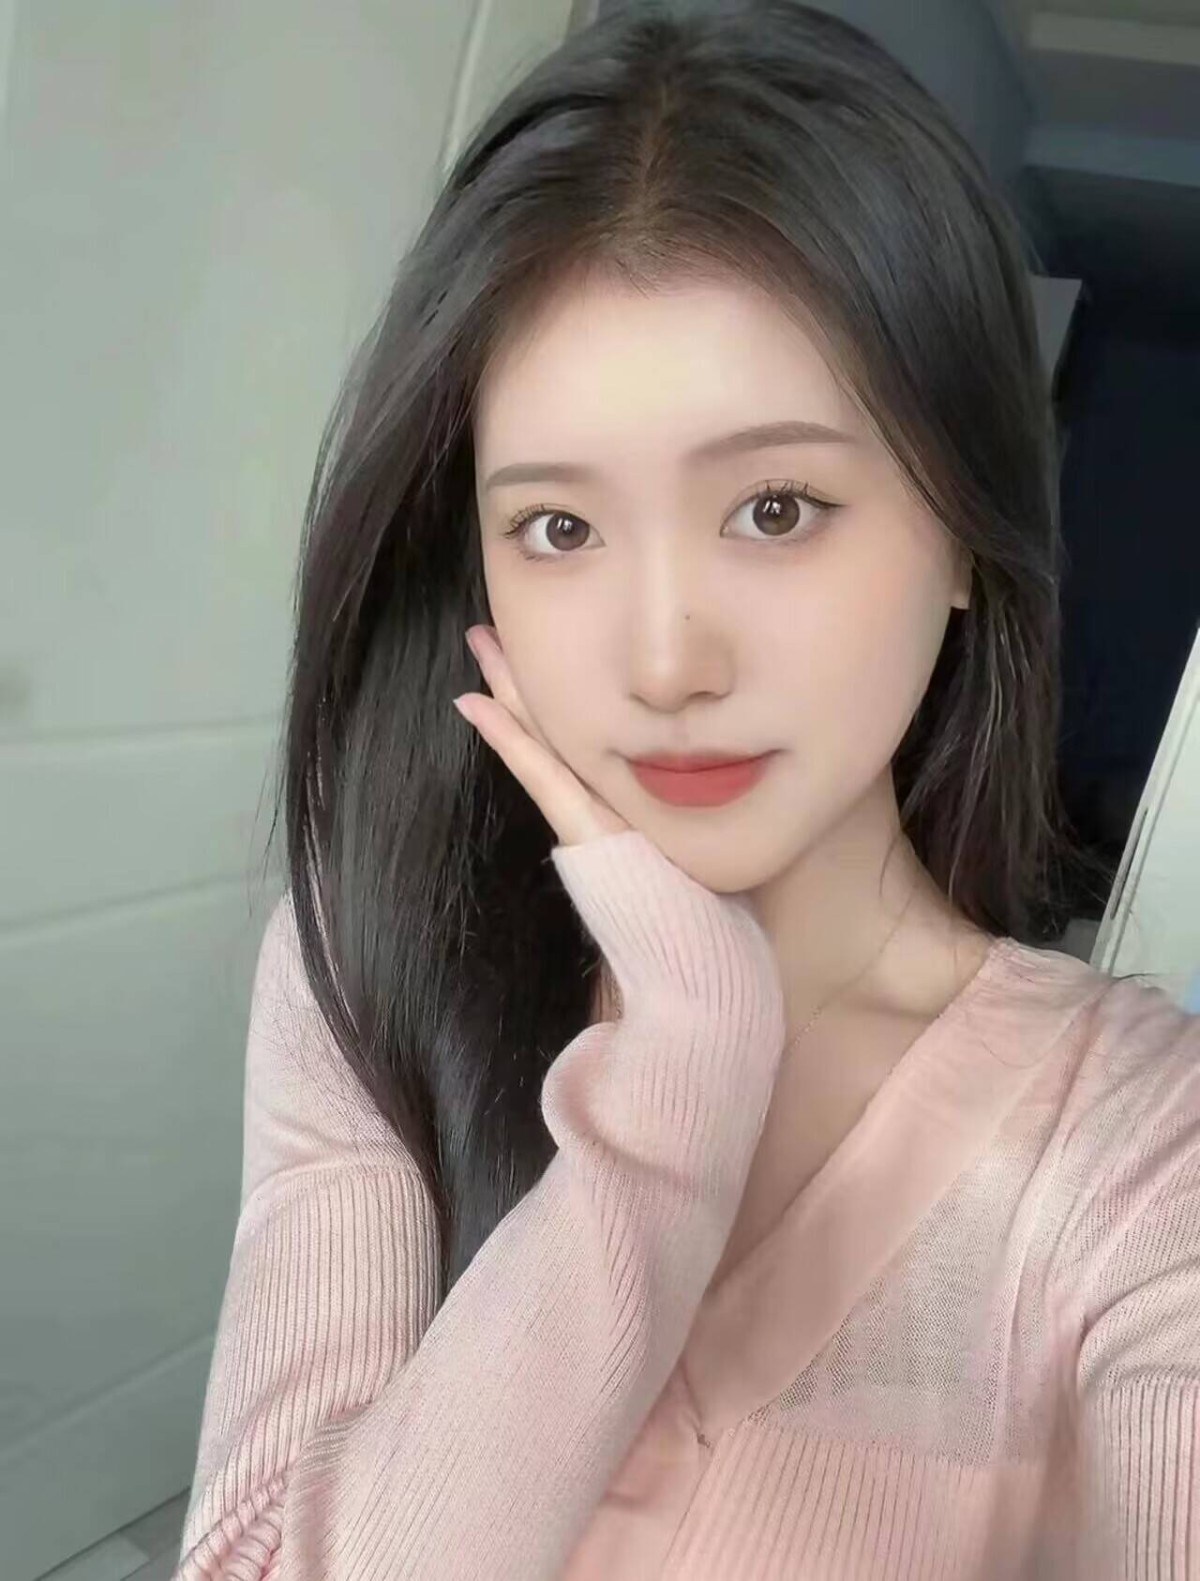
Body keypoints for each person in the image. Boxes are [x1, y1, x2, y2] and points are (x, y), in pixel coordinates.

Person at [173, 5, 1200, 1578]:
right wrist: (680, 1074)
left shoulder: (1137, 1145)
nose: (664, 661)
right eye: (560, 530)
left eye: (776, 507)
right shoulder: (370, 968)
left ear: (967, 538)